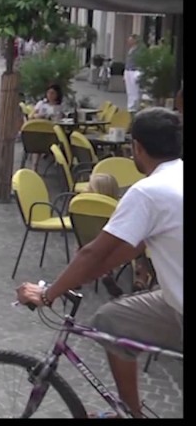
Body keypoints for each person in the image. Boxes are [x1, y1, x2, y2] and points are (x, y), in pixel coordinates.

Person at [16, 108, 183, 419]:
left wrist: (48, 294)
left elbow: (93, 252)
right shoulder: (177, 177)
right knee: (112, 319)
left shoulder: (148, 192)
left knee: (111, 320)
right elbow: (127, 249)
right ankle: (130, 413)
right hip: (174, 300)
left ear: (137, 147)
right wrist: (75, 279)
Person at [123, 35, 141, 113]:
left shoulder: (138, 50)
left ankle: (134, 107)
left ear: (135, 40)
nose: (128, 41)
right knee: (129, 90)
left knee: (134, 89)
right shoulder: (131, 49)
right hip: (128, 70)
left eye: (130, 40)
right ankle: (130, 106)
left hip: (134, 70)